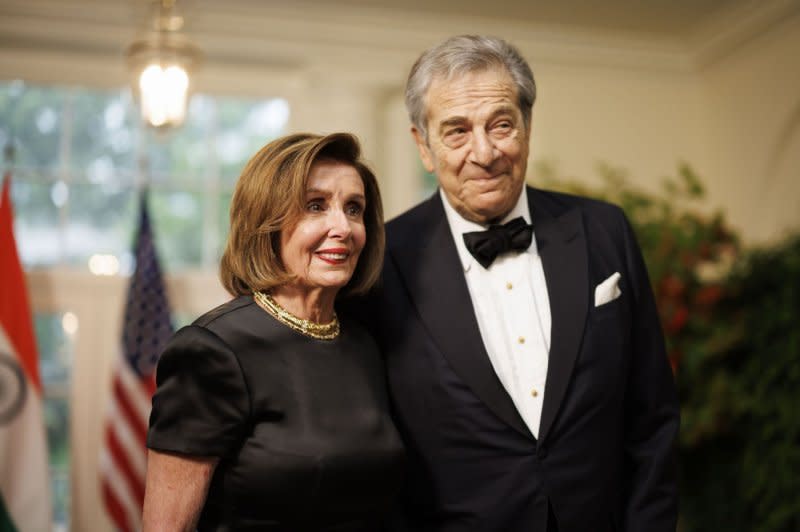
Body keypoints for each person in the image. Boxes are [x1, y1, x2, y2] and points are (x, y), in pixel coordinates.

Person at [353, 35, 679, 531]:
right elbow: (375, 451)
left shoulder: (604, 230)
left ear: (527, 126)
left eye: (501, 124)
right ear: (423, 145)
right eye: (456, 131)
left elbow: (652, 415)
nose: (484, 152)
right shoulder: (379, 261)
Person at [142, 132, 404, 531]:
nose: (343, 227)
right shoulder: (211, 351)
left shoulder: (363, 344)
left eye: (354, 209)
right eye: (315, 206)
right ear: (266, 223)